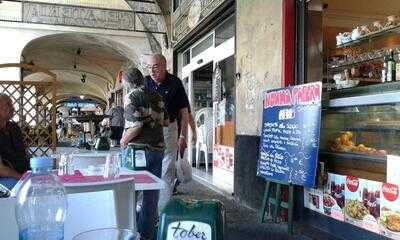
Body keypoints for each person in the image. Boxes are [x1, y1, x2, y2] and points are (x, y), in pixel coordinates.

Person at [120, 67, 168, 240]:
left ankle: (131, 234)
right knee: (151, 196)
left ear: (127, 82)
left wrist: (123, 140)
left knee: (129, 193)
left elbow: (136, 126)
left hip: (137, 151)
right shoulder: (157, 95)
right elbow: (166, 122)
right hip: (158, 150)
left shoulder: (131, 96)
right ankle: (147, 236)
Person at [144, 54, 191, 213]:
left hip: (168, 130)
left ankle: (162, 212)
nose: (152, 71)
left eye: (155, 67)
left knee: (167, 169)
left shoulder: (175, 83)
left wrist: (183, 135)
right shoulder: (145, 82)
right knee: (147, 167)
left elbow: (184, 111)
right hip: (147, 130)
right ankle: (146, 208)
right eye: (149, 67)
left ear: (164, 66)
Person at [0, 93, 29, 189]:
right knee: (26, 188)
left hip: (23, 172)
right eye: (8, 104)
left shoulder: (14, 127)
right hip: (6, 178)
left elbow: (23, 153)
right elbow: (1, 170)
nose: (13, 108)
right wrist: (23, 179)